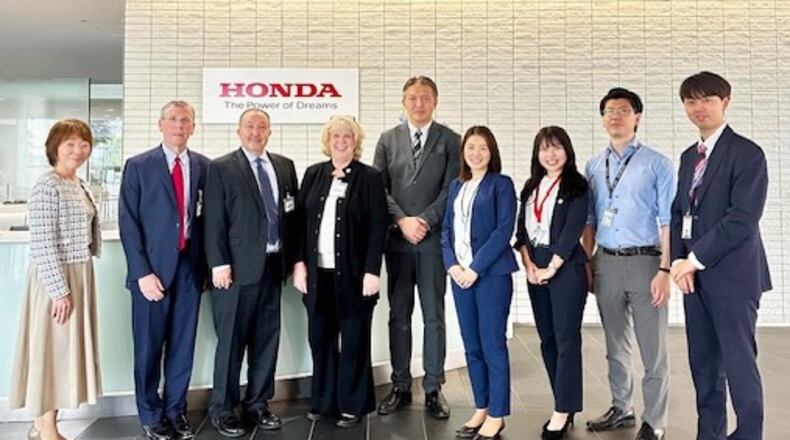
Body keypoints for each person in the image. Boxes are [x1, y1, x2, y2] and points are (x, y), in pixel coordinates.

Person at [670, 71, 771, 440]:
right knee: (704, 365)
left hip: (733, 277)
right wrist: (679, 263)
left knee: (738, 364)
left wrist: (693, 259)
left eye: (707, 100)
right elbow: (679, 212)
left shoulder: (747, 154)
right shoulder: (688, 157)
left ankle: (749, 434)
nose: (699, 108)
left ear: (725, 102)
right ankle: (709, 434)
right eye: (691, 101)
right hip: (694, 279)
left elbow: (742, 219)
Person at [582, 88, 675, 440]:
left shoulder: (657, 163)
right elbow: (590, 220)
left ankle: (655, 420)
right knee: (614, 343)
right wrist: (589, 262)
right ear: (602, 118)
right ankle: (622, 408)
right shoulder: (594, 165)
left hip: (646, 263)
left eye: (623, 110)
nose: (615, 116)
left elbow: (668, 221)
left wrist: (665, 269)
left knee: (653, 348)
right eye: (609, 110)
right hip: (606, 262)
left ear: (637, 117)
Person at [203, 108, 299, 437]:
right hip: (234, 272)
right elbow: (213, 219)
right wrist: (219, 263)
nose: (256, 132)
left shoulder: (285, 166)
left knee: (266, 341)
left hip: (273, 268)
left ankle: (257, 404)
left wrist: (294, 260)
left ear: (269, 131)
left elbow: (291, 215)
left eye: (262, 127)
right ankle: (223, 409)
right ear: (239, 131)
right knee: (231, 343)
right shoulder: (220, 168)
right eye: (250, 126)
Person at [119, 100, 210, 440]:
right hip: (151, 272)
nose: (179, 125)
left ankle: (176, 411)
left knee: (182, 346)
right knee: (148, 347)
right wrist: (141, 272)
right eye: (172, 119)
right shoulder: (138, 166)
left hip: (189, 269)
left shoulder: (204, 167)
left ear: (193, 128)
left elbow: (208, 220)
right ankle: (150, 414)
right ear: (160, 124)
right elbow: (128, 224)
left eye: (185, 120)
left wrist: (206, 268)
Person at [292, 115, 388, 428]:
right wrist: (299, 264)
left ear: (355, 141)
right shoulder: (313, 174)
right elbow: (298, 223)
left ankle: (352, 404)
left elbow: (378, 226)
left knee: (354, 340)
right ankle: (323, 402)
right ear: (328, 140)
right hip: (317, 275)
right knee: (321, 339)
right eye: (336, 136)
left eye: (347, 136)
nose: (341, 141)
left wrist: (372, 270)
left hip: (355, 275)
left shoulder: (370, 177)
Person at [373, 76, 460, 419]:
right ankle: (400, 385)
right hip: (397, 241)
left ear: (435, 101)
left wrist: (423, 220)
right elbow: (378, 188)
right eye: (412, 97)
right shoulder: (387, 140)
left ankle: (434, 387)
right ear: (403, 101)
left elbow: (451, 188)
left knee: (433, 316)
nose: (419, 103)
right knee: (399, 315)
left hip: (432, 242)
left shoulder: (450, 140)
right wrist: (401, 221)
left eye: (425, 97)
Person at [9, 119, 101, 440]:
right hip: (56, 279)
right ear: (55, 148)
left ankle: (43, 425)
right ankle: (47, 429)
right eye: (70, 144)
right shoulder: (47, 185)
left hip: (79, 273)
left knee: (63, 354)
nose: (78, 150)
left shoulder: (77, 183)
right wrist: (60, 291)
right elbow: (43, 243)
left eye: (84, 144)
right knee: (51, 353)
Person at [440, 126, 517, 440]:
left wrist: (475, 268)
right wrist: (452, 266)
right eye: (471, 147)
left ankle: (497, 414)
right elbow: (446, 230)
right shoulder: (457, 185)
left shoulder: (501, 184)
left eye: (482, 147)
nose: (476, 153)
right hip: (460, 278)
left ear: (492, 151)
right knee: (472, 346)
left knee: (492, 346)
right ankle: (481, 407)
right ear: (463, 152)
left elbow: (503, 230)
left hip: (491, 277)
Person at [514, 127, 589, 439]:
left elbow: (572, 231)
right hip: (535, 266)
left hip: (566, 267)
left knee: (566, 338)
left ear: (567, 151)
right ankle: (563, 402)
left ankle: (563, 409)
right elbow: (521, 233)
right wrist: (529, 264)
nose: (551, 154)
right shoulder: (531, 186)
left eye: (557, 147)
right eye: (544, 148)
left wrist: (551, 267)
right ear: (537, 154)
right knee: (547, 339)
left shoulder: (577, 186)